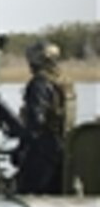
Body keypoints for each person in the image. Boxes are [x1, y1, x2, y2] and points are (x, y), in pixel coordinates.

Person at [15, 40, 76, 195]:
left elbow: (36, 122)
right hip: (64, 146)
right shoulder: (64, 82)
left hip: (43, 150)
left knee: (27, 192)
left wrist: (21, 149)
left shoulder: (39, 84)